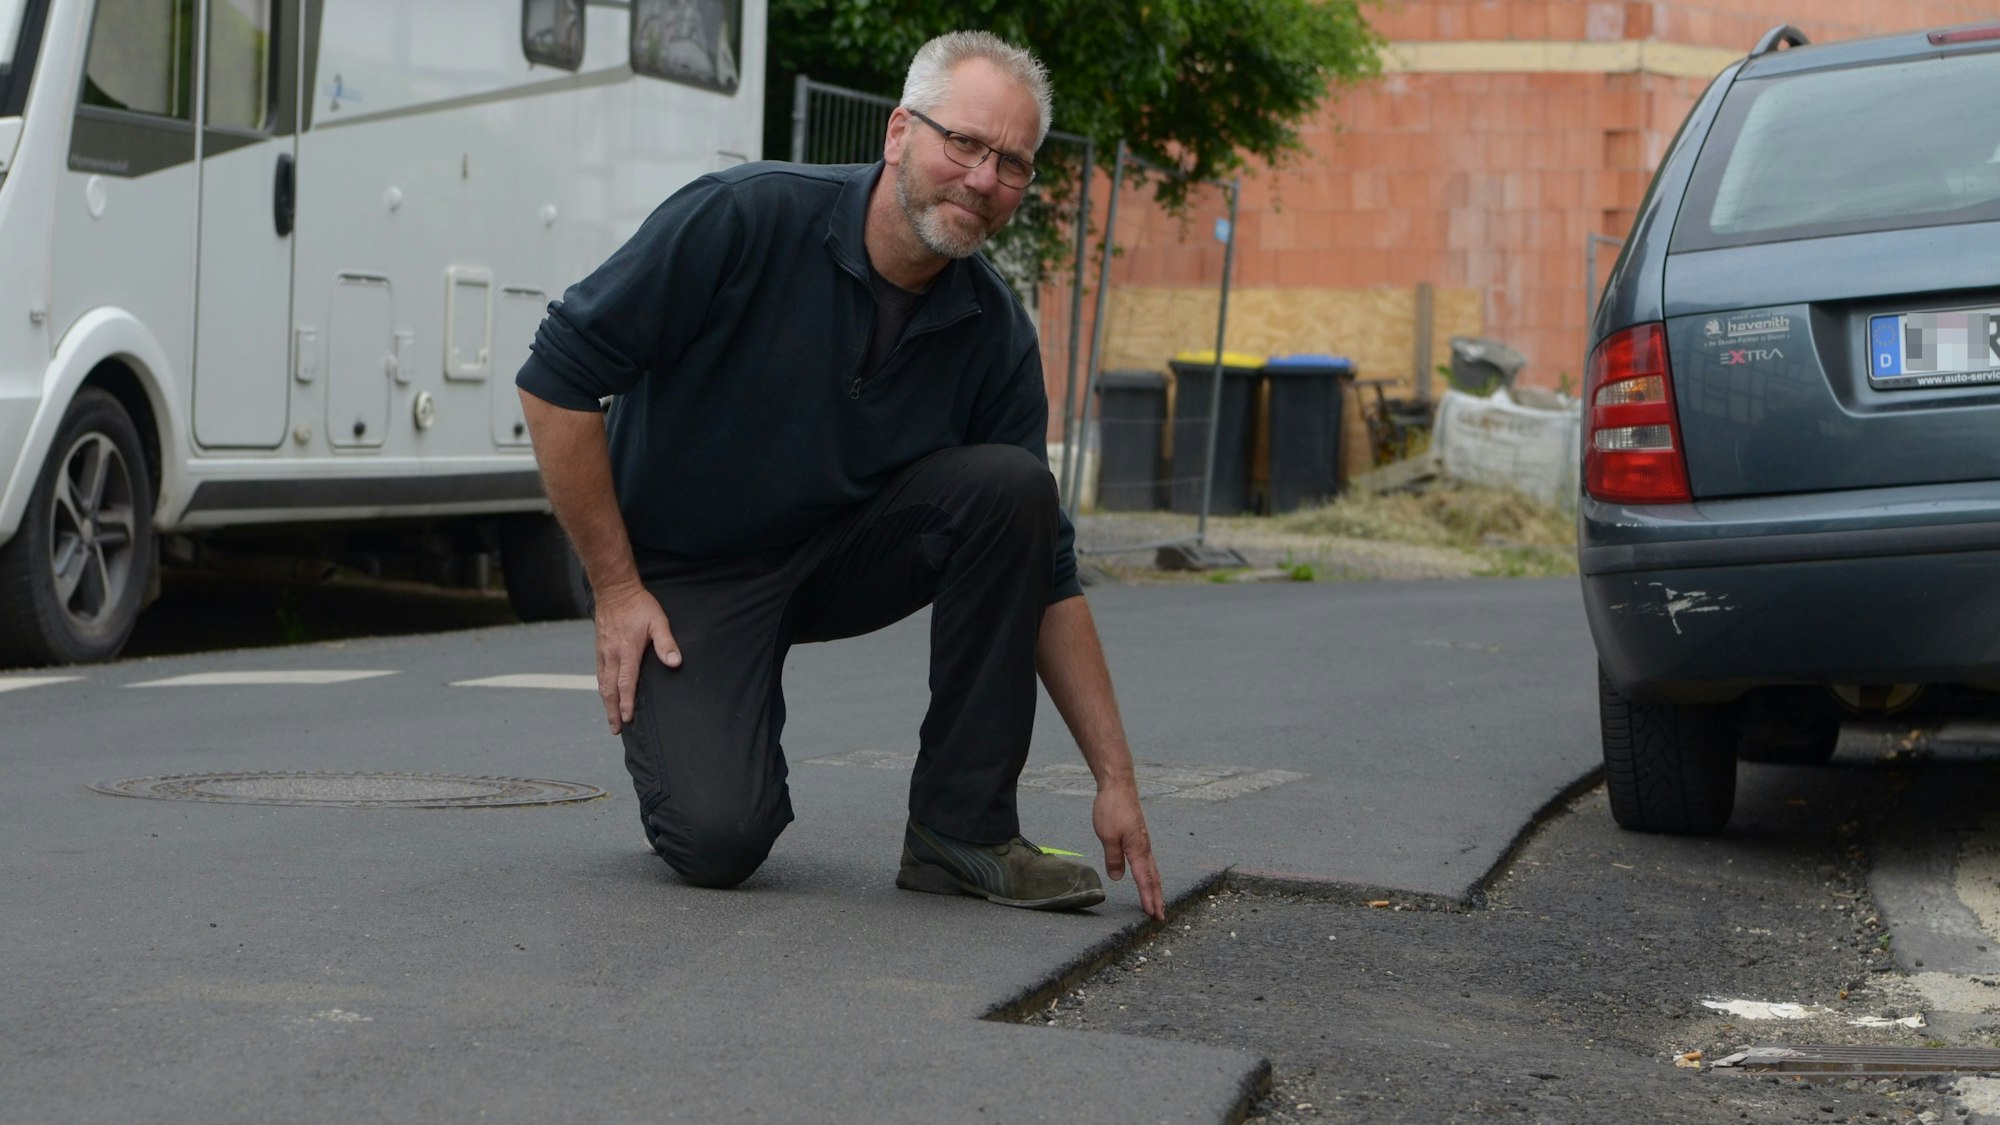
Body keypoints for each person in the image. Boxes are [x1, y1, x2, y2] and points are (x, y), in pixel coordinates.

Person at [515, 30, 1164, 921]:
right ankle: (721, 726)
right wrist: (618, 588)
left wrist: (1116, 780)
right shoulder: (744, 217)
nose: (983, 179)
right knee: (719, 838)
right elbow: (556, 374)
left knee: (1015, 489)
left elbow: (1047, 571)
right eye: (964, 143)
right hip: (688, 576)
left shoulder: (996, 332)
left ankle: (962, 832)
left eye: (1012, 163)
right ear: (899, 131)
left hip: (843, 557)